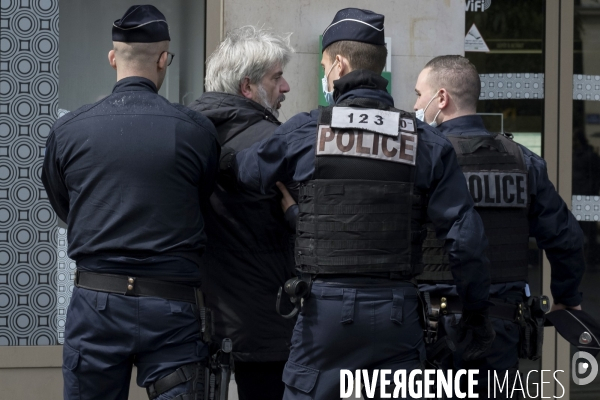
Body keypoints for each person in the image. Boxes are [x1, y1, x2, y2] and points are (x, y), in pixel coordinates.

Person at [222, 8, 495, 399]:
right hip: (397, 313)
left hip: (325, 316)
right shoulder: (424, 140)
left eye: (324, 66)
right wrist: (475, 313)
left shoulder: (307, 130)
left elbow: (244, 173)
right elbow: (466, 239)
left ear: (339, 65)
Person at [41, 5, 220, 400]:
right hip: (172, 304)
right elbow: (202, 199)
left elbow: (64, 204)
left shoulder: (69, 130)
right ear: (162, 59)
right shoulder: (196, 131)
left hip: (97, 302)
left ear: (112, 58)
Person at [414, 55, 585, 398]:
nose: (416, 104)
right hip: (501, 328)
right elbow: (566, 238)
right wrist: (566, 299)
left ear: (441, 98)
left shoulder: (422, 157)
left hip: (430, 327)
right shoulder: (523, 161)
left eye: (419, 94)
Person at [187, 26, 295, 400]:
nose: (285, 88)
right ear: (247, 87)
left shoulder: (183, 135)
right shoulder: (275, 143)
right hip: (267, 324)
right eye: (277, 77)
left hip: (196, 320)